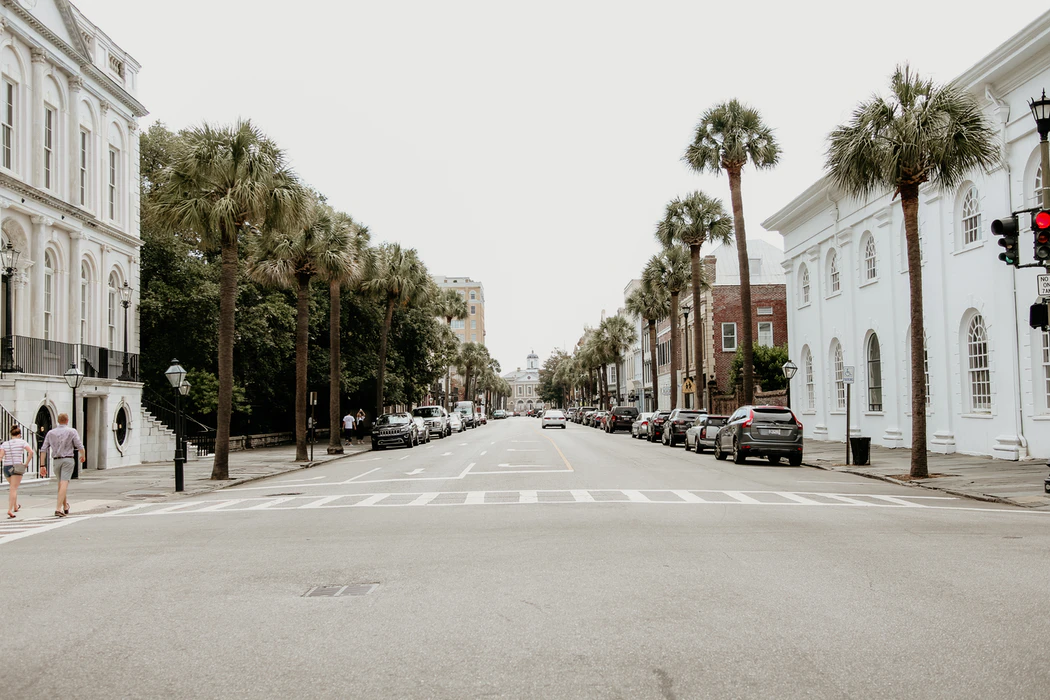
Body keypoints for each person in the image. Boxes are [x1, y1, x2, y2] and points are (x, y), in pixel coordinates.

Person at [39, 413, 85, 518]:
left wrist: (42, 465)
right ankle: (58, 508)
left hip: (56, 460)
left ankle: (65, 506)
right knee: (64, 484)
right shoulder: (72, 431)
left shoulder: (51, 433)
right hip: (68, 459)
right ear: (67, 420)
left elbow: (43, 449)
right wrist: (83, 455)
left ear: (58, 421)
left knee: (60, 484)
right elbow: (79, 445)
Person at [1, 425, 34, 519]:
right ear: (19, 434)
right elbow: (31, 452)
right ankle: (9, 509)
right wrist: (26, 464)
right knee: (13, 488)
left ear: (11, 434)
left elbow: (1, 456)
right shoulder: (22, 442)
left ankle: (15, 506)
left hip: (7, 467)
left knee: (12, 487)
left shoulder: (5, 444)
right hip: (17, 467)